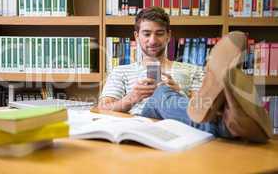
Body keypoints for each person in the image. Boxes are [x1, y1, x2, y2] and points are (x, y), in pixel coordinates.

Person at [98, 7, 272, 142]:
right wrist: (132, 97)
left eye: (159, 33)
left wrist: (182, 93)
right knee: (160, 94)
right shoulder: (120, 71)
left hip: (181, 129)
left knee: (169, 94)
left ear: (168, 36)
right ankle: (231, 125)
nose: (152, 40)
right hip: (141, 128)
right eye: (146, 34)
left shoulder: (192, 69)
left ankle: (231, 124)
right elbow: (101, 110)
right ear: (136, 36)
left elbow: (206, 108)